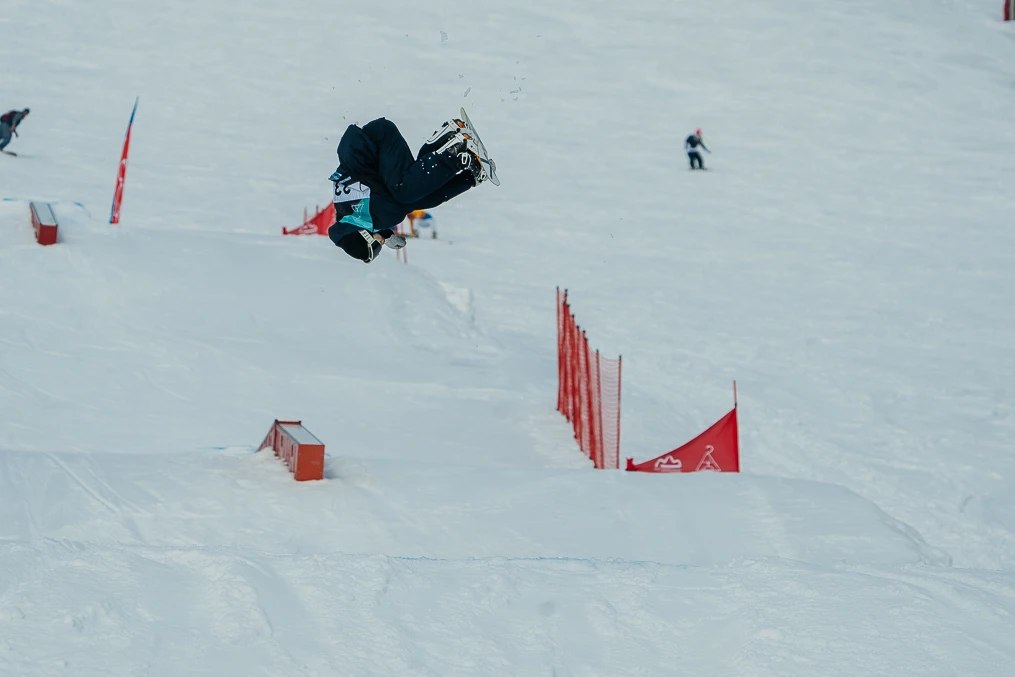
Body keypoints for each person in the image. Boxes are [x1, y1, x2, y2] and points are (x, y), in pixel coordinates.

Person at [327, 116, 489, 263]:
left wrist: (386, 232)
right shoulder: (349, 216)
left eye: (376, 245)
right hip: (375, 143)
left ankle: (457, 151)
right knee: (417, 192)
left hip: (375, 141)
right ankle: (452, 143)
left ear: (364, 235)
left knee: (406, 191)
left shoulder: (372, 217)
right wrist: (385, 233)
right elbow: (378, 203)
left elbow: (390, 209)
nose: (381, 245)